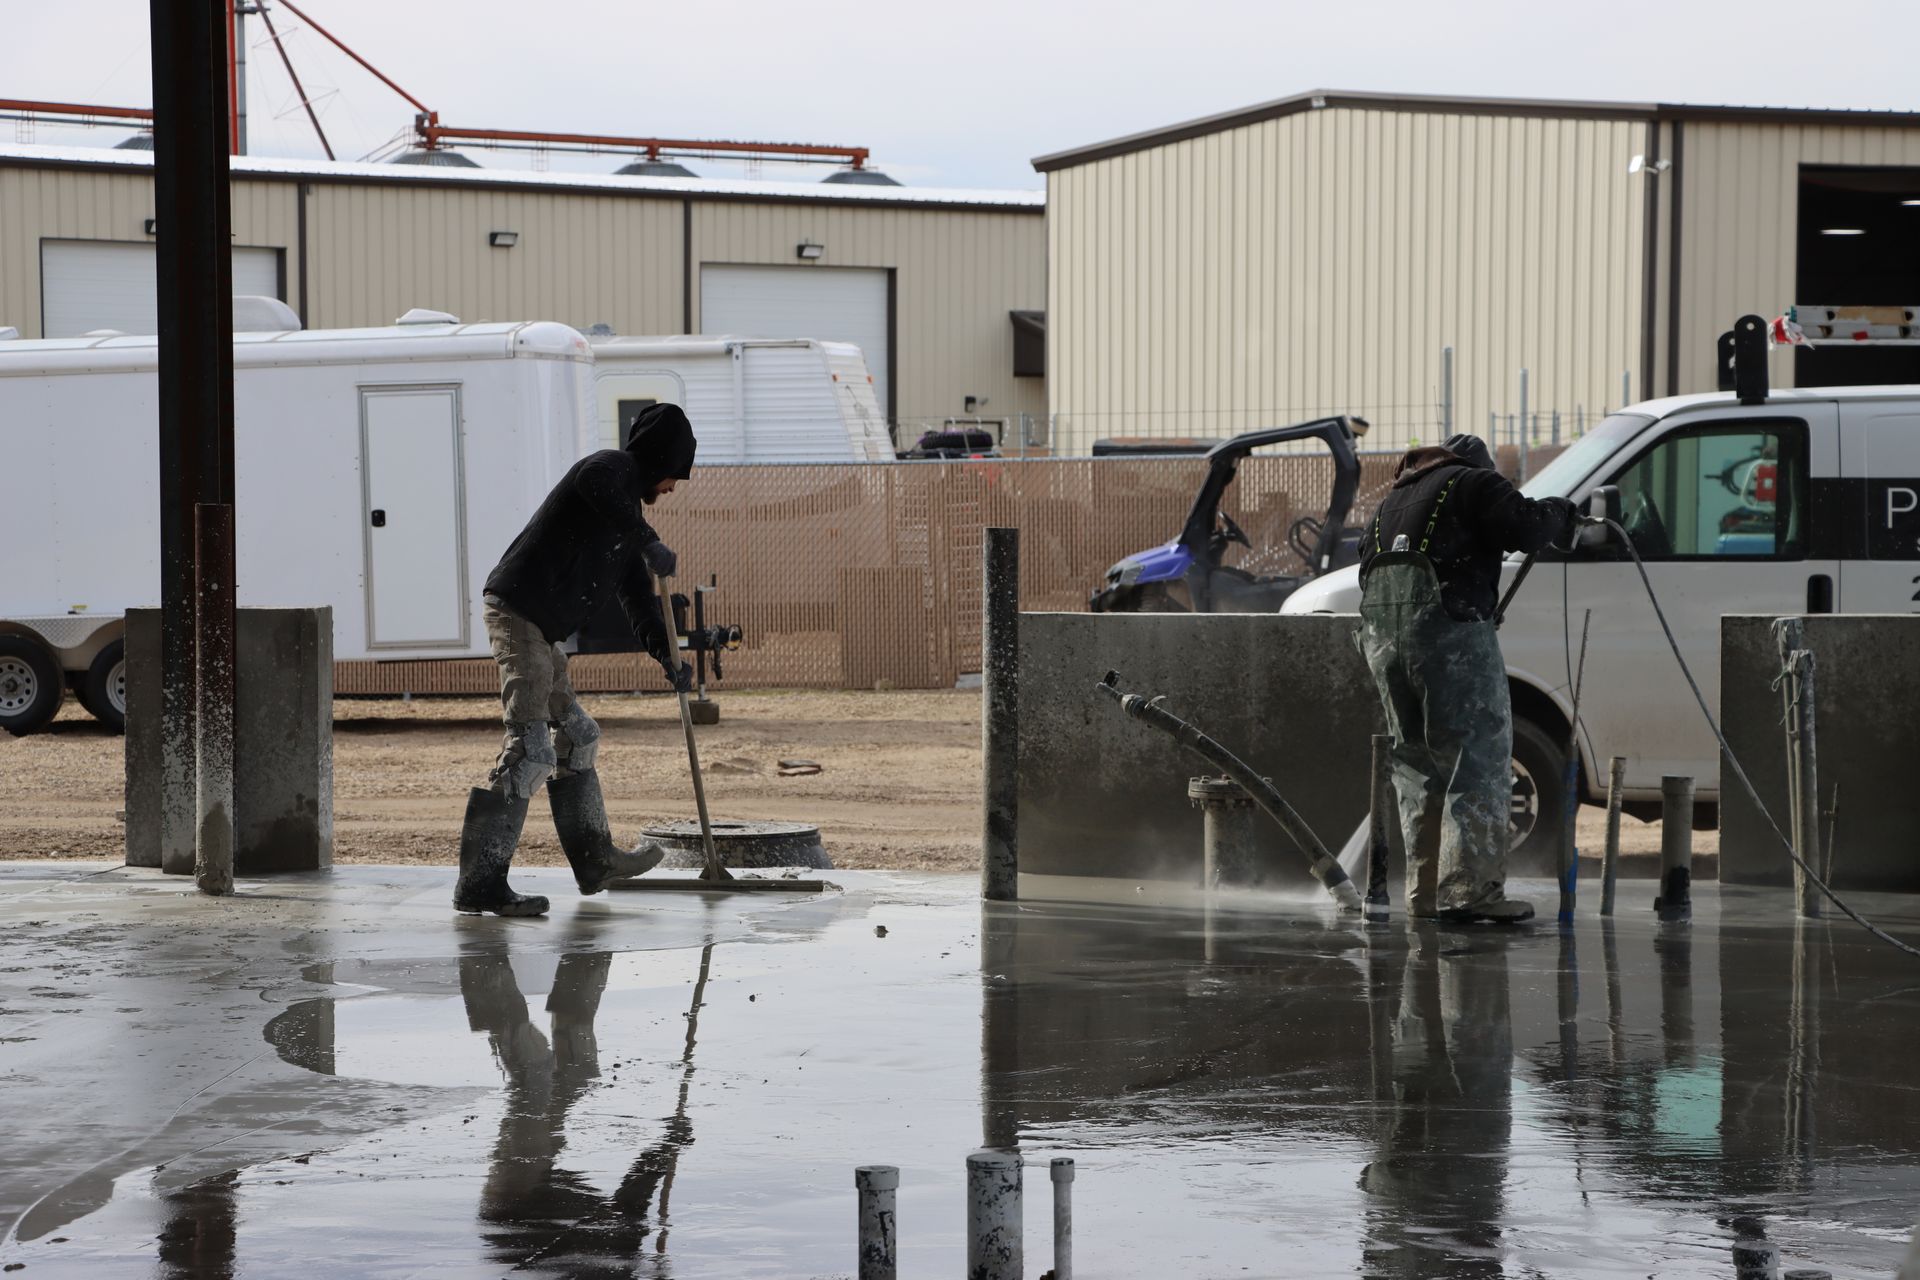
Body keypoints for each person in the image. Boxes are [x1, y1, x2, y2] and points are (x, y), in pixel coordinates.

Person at [453, 403, 698, 917]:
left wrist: (668, 658)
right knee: (532, 750)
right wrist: (649, 539)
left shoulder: (627, 523)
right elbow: (595, 482)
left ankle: (595, 861)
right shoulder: (610, 470)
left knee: (580, 736)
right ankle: (479, 883)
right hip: (518, 613)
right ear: (660, 461)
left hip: (542, 630)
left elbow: (640, 604)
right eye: (676, 473)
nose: (674, 486)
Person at [1357, 433, 1576, 924]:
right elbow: (1525, 526)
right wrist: (1561, 512)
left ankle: (1425, 894)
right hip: (1449, 639)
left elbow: (1364, 569)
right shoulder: (1473, 483)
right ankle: (1471, 894)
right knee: (1475, 759)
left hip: (1384, 648)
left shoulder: (1390, 502)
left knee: (1417, 768)